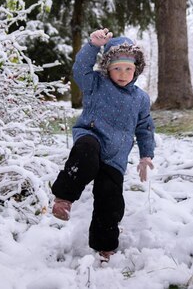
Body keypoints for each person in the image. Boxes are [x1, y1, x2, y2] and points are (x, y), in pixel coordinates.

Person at [51, 27, 155, 261]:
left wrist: (146, 155)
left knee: (110, 198)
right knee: (85, 155)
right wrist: (92, 46)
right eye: (117, 68)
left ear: (136, 70)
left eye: (128, 68)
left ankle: (105, 245)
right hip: (92, 136)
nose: (122, 73)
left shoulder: (140, 99)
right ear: (107, 67)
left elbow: (145, 127)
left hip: (116, 155)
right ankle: (63, 199)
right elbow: (79, 70)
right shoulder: (96, 83)